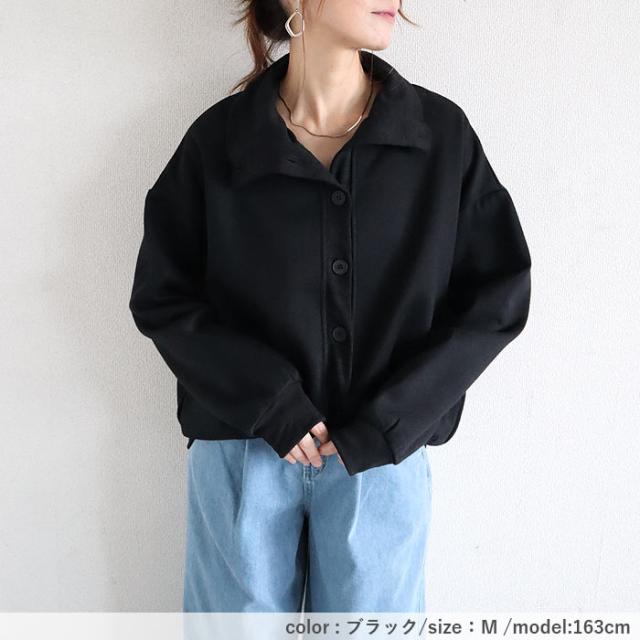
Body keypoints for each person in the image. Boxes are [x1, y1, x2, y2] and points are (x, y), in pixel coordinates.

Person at [128, 0, 532, 613]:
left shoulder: (438, 137)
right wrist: (268, 400)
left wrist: (392, 420)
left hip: (381, 463)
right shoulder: (221, 141)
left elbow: (498, 293)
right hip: (244, 453)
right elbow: (163, 293)